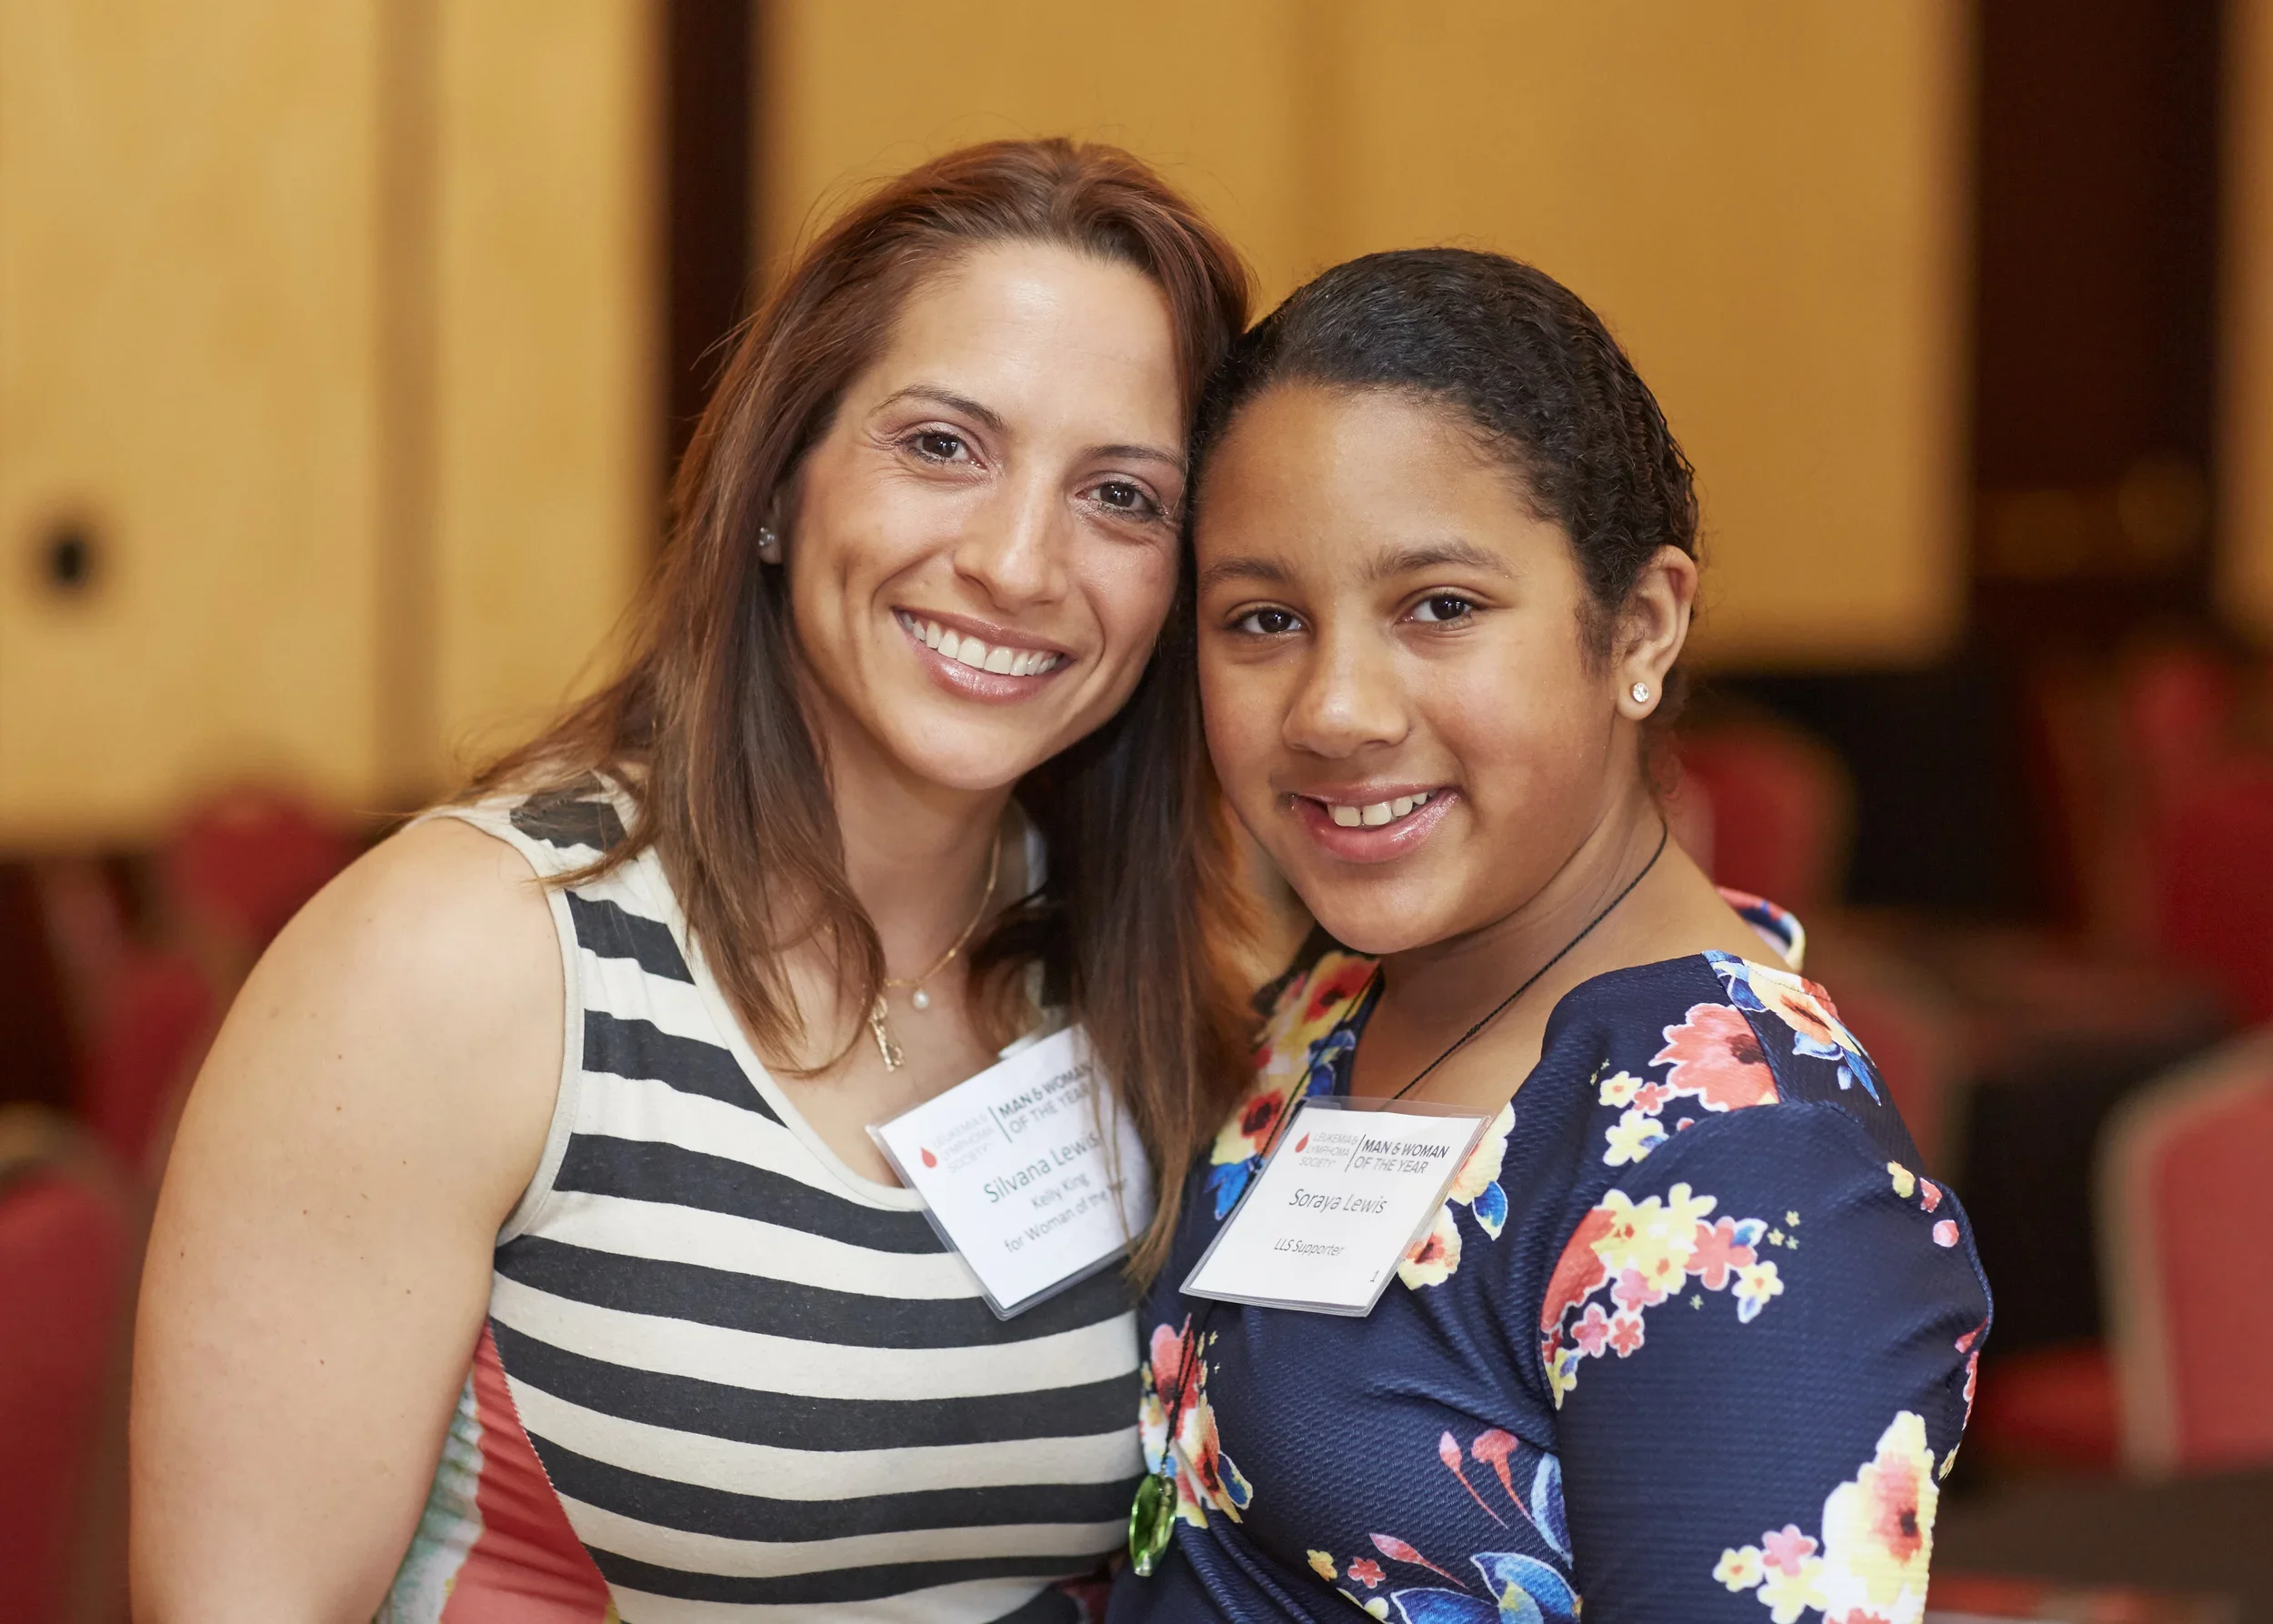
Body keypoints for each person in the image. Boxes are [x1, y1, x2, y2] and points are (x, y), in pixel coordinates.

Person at [133, 139, 1255, 1623]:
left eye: (1121, 494)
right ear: (779, 487)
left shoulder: (1146, 979)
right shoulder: (468, 959)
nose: (1019, 560)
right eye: (940, 446)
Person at [1111, 250, 1992, 1624]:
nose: (1335, 707)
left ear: (1638, 625)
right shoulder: (1334, 1000)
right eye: (1263, 619)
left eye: (1439, 607)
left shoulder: (1747, 1170)